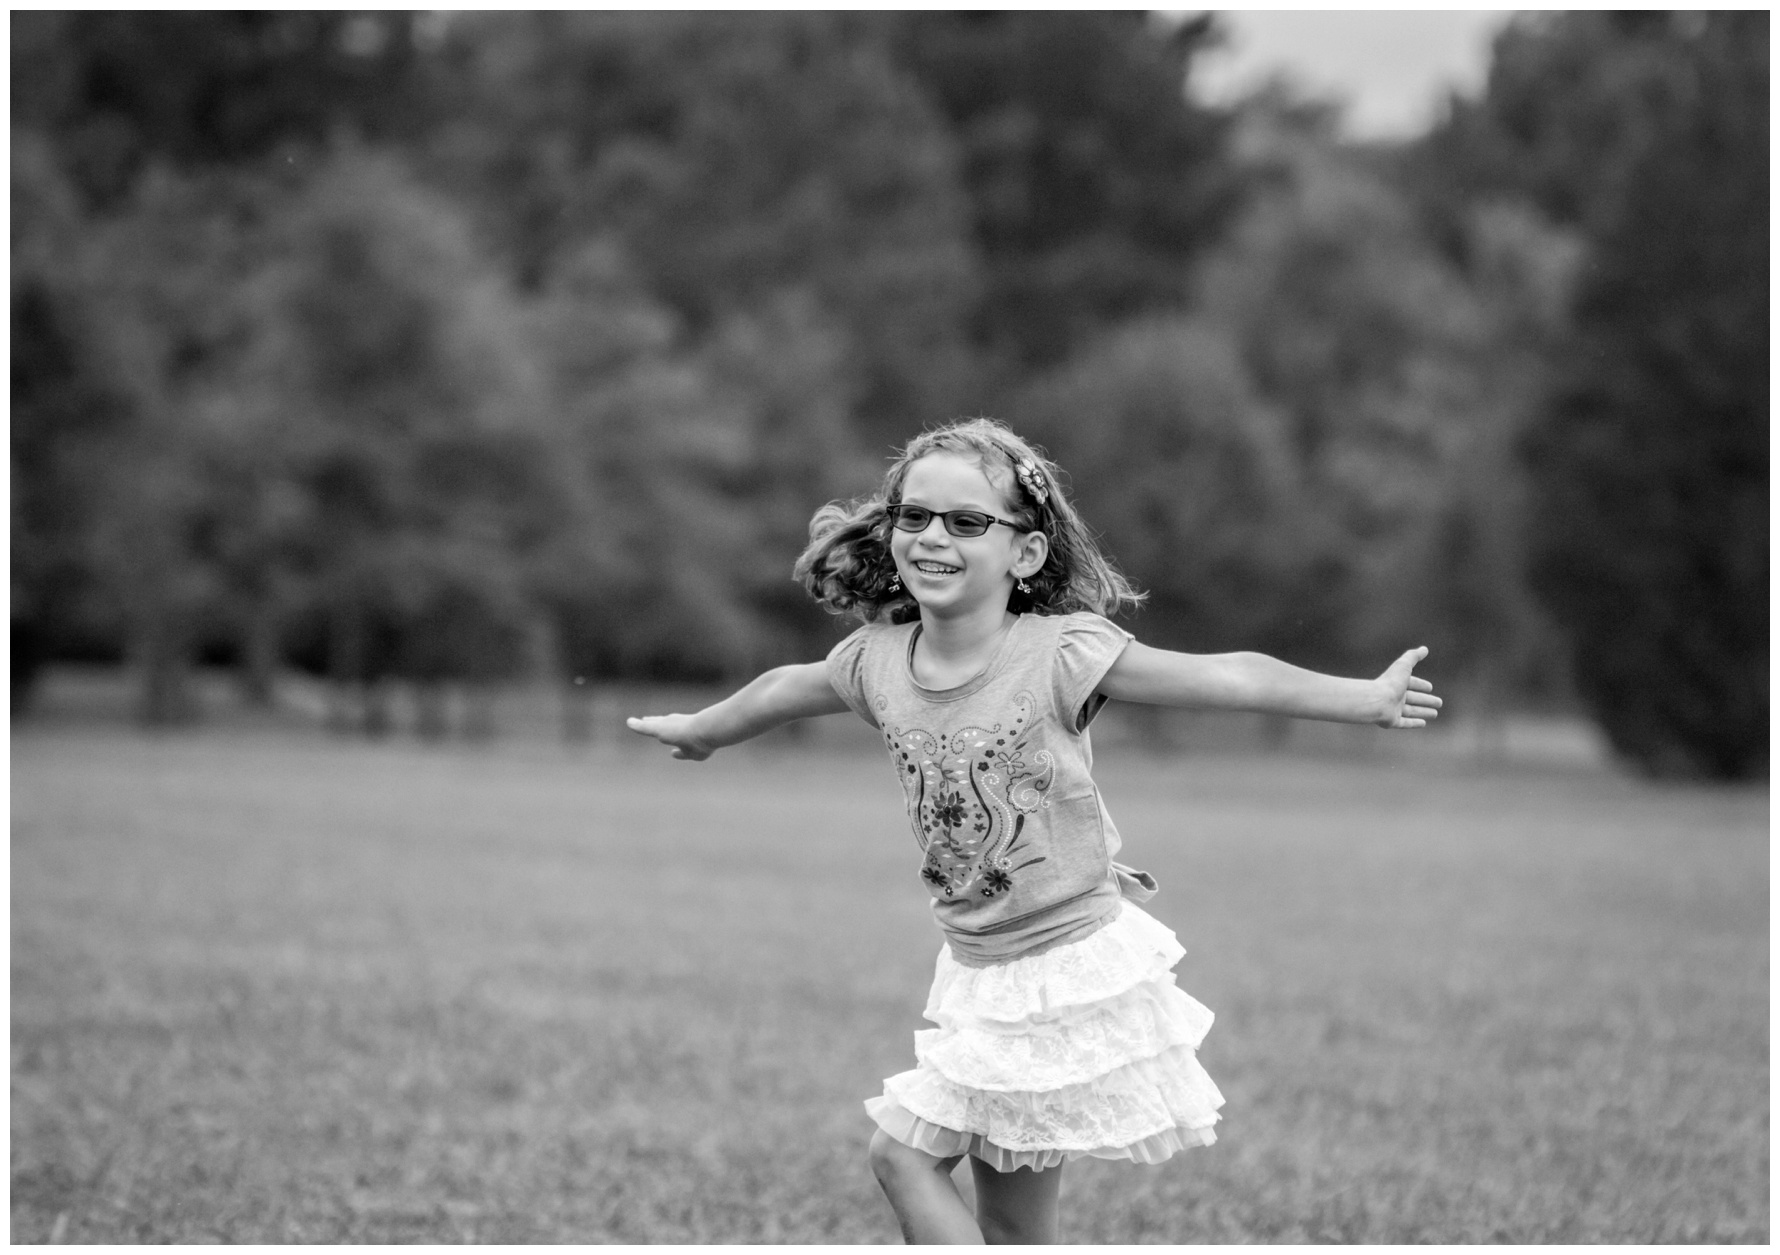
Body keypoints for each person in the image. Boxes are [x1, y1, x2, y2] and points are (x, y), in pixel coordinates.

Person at [627, 418, 1441, 1243]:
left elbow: (1229, 675)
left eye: (966, 521)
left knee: (900, 1156)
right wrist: (704, 730)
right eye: (915, 516)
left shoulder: (1060, 653)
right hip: (982, 967)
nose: (933, 536)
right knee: (1017, 1230)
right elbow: (783, 687)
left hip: (1064, 966)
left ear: (1026, 552)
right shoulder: (877, 660)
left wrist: (1362, 698)